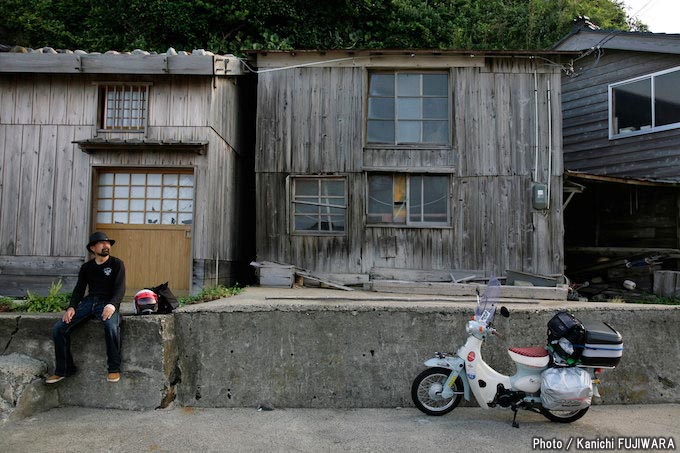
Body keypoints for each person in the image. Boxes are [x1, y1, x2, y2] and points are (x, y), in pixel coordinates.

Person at [46, 232, 126, 384]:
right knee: (59, 328)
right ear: (93, 248)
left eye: (108, 243)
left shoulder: (117, 264)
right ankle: (64, 370)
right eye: (102, 243)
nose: (106, 245)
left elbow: (120, 289)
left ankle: (113, 368)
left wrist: (112, 305)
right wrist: (72, 307)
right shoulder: (87, 267)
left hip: (107, 302)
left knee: (111, 327)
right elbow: (79, 290)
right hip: (89, 302)